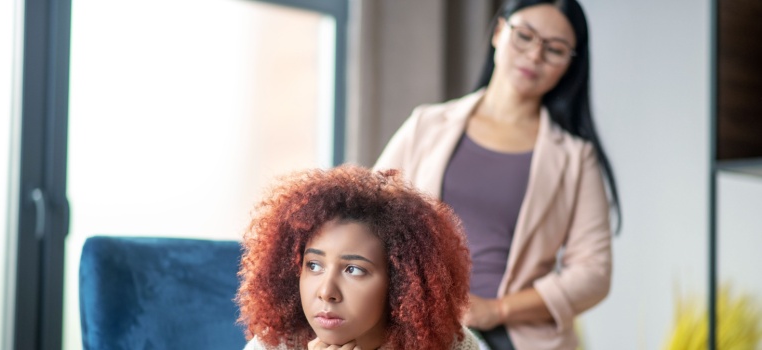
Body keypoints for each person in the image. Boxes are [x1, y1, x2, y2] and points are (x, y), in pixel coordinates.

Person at [374, 0, 620, 349]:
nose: (535, 56)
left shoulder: (576, 158)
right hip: (417, 326)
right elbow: (367, 214)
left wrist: (497, 310)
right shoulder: (427, 124)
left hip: (516, 338)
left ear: (570, 64)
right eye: (525, 36)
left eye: (555, 50)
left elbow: (594, 273)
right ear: (499, 31)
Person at [236, 165, 479, 350]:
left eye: (353, 269)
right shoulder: (275, 344)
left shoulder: (452, 346)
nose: (326, 291)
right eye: (314, 265)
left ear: (400, 284)